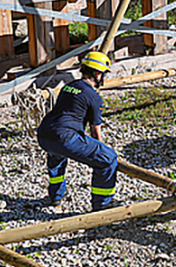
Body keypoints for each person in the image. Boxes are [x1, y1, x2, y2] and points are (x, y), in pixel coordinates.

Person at [37, 51, 118, 211]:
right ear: (97, 74)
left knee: (57, 156)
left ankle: (55, 197)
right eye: (104, 74)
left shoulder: (69, 87)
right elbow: (95, 132)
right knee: (108, 159)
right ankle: (103, 205)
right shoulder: (94, 97)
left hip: (45, 133)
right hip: (64, 137)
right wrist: (100, 150)